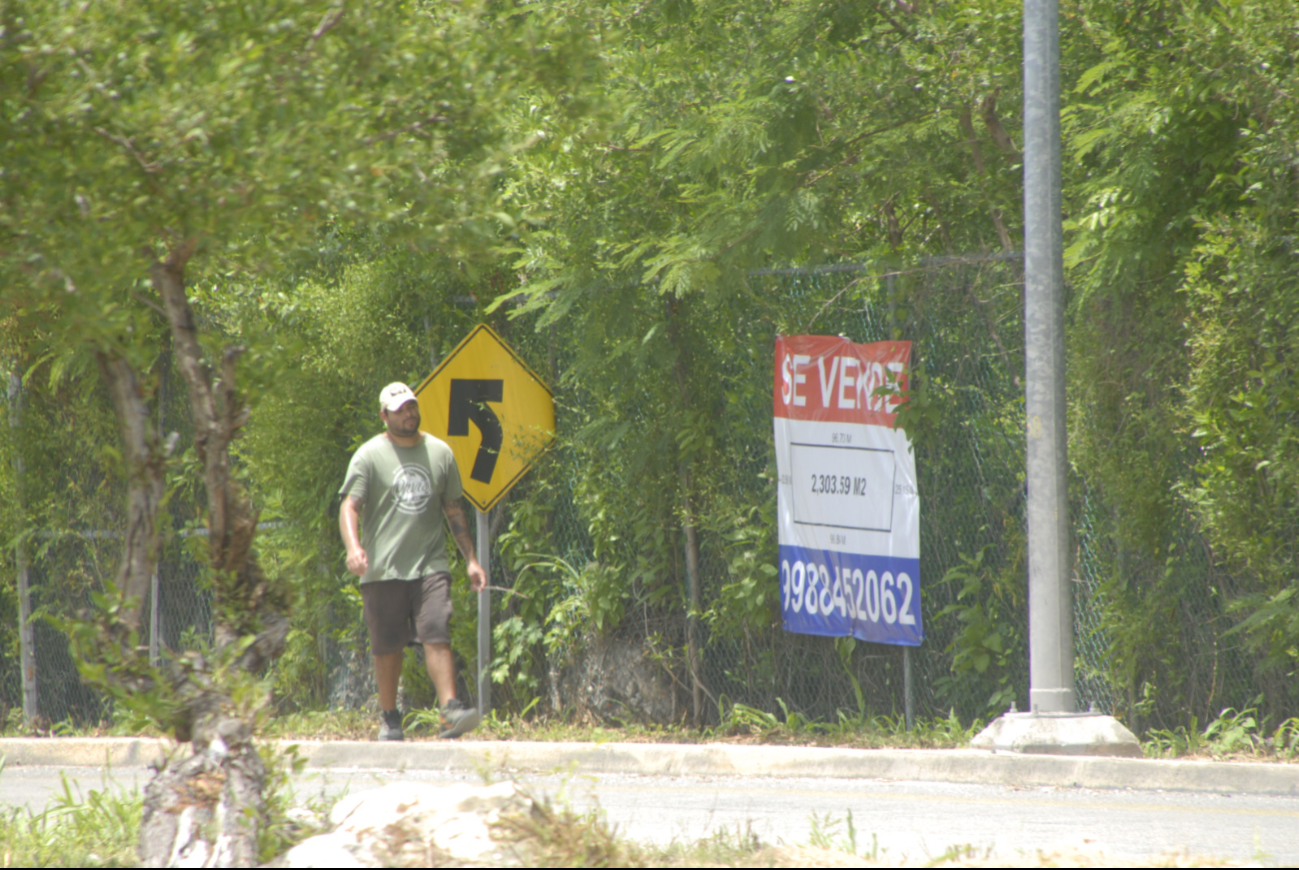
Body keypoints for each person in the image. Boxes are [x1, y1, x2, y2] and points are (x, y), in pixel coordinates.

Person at [338, 382, 485, 740]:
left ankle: (449, 711)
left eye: (412, 406)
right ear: (384, 415)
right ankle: (389, 717)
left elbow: (453, 509)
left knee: (437, 629)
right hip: (383, 568)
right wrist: (353, 548)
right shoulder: (369, 456)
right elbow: (350, 505)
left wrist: (471, 559)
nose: (408, 413)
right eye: (400, 409)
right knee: (387, 644)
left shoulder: (440, 453)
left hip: (430, 564)